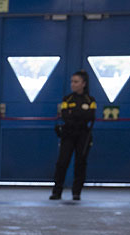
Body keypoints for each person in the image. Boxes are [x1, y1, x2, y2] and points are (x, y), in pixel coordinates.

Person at [49, 70, 96, 201]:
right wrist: (79, 114)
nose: (73, 84)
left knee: (80, 163)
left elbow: (90, 116)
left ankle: (76, 193)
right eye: (72, 82)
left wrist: (74, 114)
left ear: (83, 84)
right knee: (62, 163)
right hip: (68, 134)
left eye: (76, 82)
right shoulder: (67, 99)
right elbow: (65, 116)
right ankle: (57, 192)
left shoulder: (90, 100)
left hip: (83, 135)